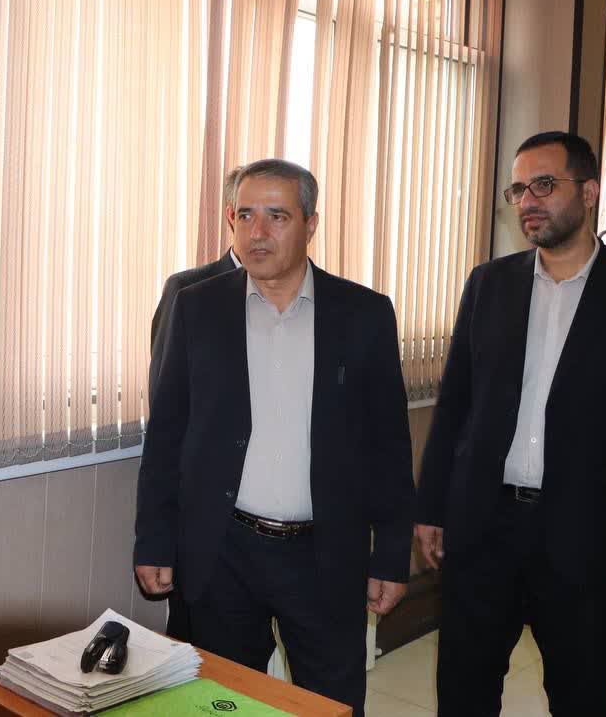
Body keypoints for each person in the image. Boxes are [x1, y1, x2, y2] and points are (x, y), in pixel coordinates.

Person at [135, 159, 414, 714]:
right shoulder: (197, 308)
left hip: (324, 553)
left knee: (329, 703)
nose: (257, 232)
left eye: (277, 216)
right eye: (245, 215)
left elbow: (388, 445)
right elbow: (166, 434)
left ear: (311, 224)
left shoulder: (363, 314)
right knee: (221, 703)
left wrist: (391, 554)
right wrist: (154, 540)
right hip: (224, 552)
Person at [415, 131, 606, 717]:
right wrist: (431, 508)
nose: (527, 201)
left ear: (590, 192)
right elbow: (455, 406)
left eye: (545, 185)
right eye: (519, 189)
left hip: (585, 535)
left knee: (579, 697)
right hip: (483, 527)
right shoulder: (489, 283)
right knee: (464, 692)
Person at [146, 166, 243, 641]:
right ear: (231, 216)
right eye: (248, 212)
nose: (262, 228)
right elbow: (167, 409)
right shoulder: (188, 290)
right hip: (207, 521)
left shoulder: (321, 299)